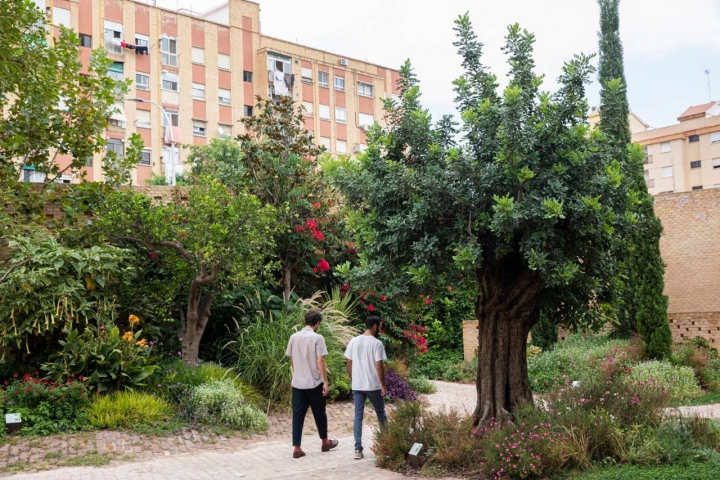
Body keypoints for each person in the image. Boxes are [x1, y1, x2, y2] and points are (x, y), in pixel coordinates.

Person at [285, 309, 339, 458]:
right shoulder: (318, 338)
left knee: (297, 415)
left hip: (298, 382)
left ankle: (297, 448)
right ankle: (325, 442)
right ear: (317, 323)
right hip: (314, 382)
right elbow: (320, 360)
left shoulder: (293, 337)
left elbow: (291, 359)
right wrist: (325, 381)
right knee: (319, 412)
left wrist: (299, 372)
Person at [344, 315, 388, 460]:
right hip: (373, 385)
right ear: (375, 326)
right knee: (381, 413)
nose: (380, 329)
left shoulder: (353, 341)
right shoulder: (377, 343)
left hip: (358, 385)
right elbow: (379, 365)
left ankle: (357, 449)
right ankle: (387, 444)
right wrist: (383, 384)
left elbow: (348, 363)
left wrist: (354, 379)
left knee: (358, 416)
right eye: (379, 326)